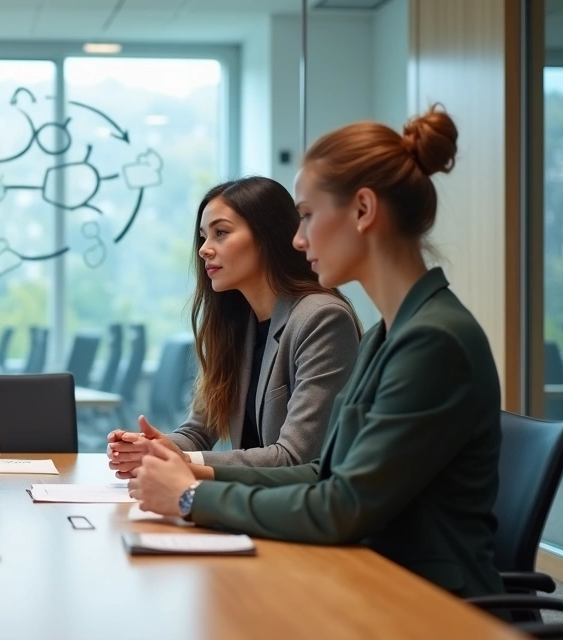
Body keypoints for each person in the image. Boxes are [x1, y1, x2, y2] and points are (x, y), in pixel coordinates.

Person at [128, 106, 505, 599]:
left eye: (306, 216)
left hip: (427, 602)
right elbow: (325, 473)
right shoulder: (390, 332)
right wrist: (196, 472)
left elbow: (342, 506)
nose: (299, 238)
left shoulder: (432, 340)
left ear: (364, 211)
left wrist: (191, 496)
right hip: (374, 579)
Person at [106, 176, 360, 477]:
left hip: (295, 514)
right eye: (203, 237)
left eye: (221, 233)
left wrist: (183, 462)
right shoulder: (234, 323)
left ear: (268, 237)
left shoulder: (322, 319)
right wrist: (150, 447)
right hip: (249, 507)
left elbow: (296, 458)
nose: (204, 249)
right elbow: (197, 433)